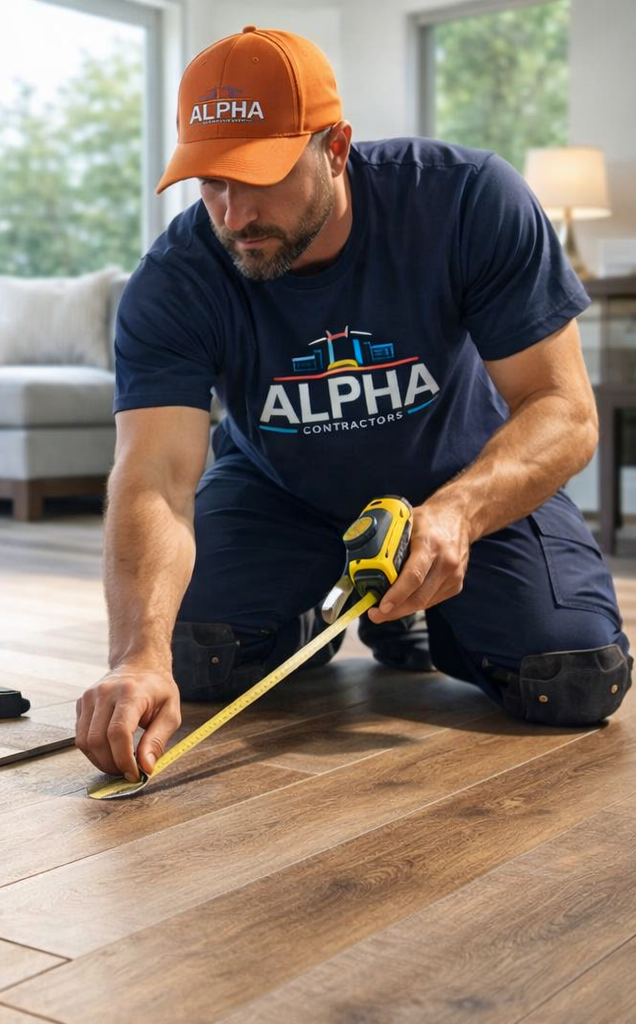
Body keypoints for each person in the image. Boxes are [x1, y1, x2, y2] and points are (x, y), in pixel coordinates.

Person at [75, 26, 630, 782]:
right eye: (210, 182)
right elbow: (154, 479)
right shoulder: (177, 280)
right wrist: (136, 657)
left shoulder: (468, 200)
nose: (234, 215)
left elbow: (563, 409)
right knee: (190, 653)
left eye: (258, 176)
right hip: (279, 489)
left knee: (571, 676)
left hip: (462, 482)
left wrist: (456, 516)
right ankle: (320, 613)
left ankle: (431, 624)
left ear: (335, 148)